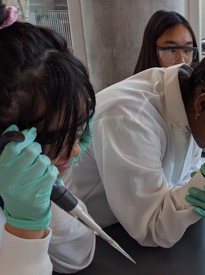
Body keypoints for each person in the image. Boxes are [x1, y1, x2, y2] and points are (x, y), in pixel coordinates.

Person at [65, 0, 205, 248]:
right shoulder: (129, 119)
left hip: (121, 226)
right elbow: (152, 230)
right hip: (81, 239)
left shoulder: (190, 99)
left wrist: (198, 185)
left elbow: (179, 182)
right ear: (204, 105)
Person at [0, 2, 96, 273]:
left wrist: (50, 186)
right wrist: (23, 229)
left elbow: (76, 257)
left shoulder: (19, 183)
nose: (76, 150)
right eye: (62, 136)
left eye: (78, 130)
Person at [133, 10, 199, 74]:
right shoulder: (132, 85)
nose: (182, 61)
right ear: (151, 51)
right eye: (172, 50)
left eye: (187, 50)